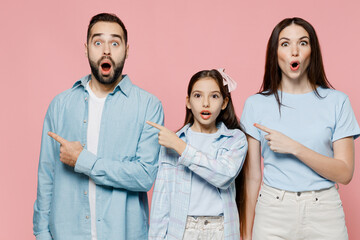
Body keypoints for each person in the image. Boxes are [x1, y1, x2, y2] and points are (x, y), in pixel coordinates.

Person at [33, 13, 164, 240]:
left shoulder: (148, 106)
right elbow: (47, 176)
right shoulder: (61, 105)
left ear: (127, 49)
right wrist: (42, 233)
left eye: (115, 43)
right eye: (98, 42)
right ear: (86, 49)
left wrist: (83, 160)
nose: (106, 50)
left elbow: (144, 176)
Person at [240, 17, 360, 240]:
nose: (294, 51)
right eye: (285, 44)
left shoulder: (337, 102)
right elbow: (251, 178)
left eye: (303, 43)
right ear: (275, 53)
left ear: (312, 51)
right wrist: (246, 234)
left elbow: (344, 173)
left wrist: (295, 148)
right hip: (273, 211)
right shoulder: (255, 105)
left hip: (324, 211)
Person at [148, 69, 248, 240]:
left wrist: (182, 148)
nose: (206, 103)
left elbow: (224, 175)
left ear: (224, 103)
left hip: (220, 230)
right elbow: (161, 202)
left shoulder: (235, 139)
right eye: (198, 96)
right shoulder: (173, 142)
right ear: (188, 102)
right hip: (182, 230)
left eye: (214, 96)